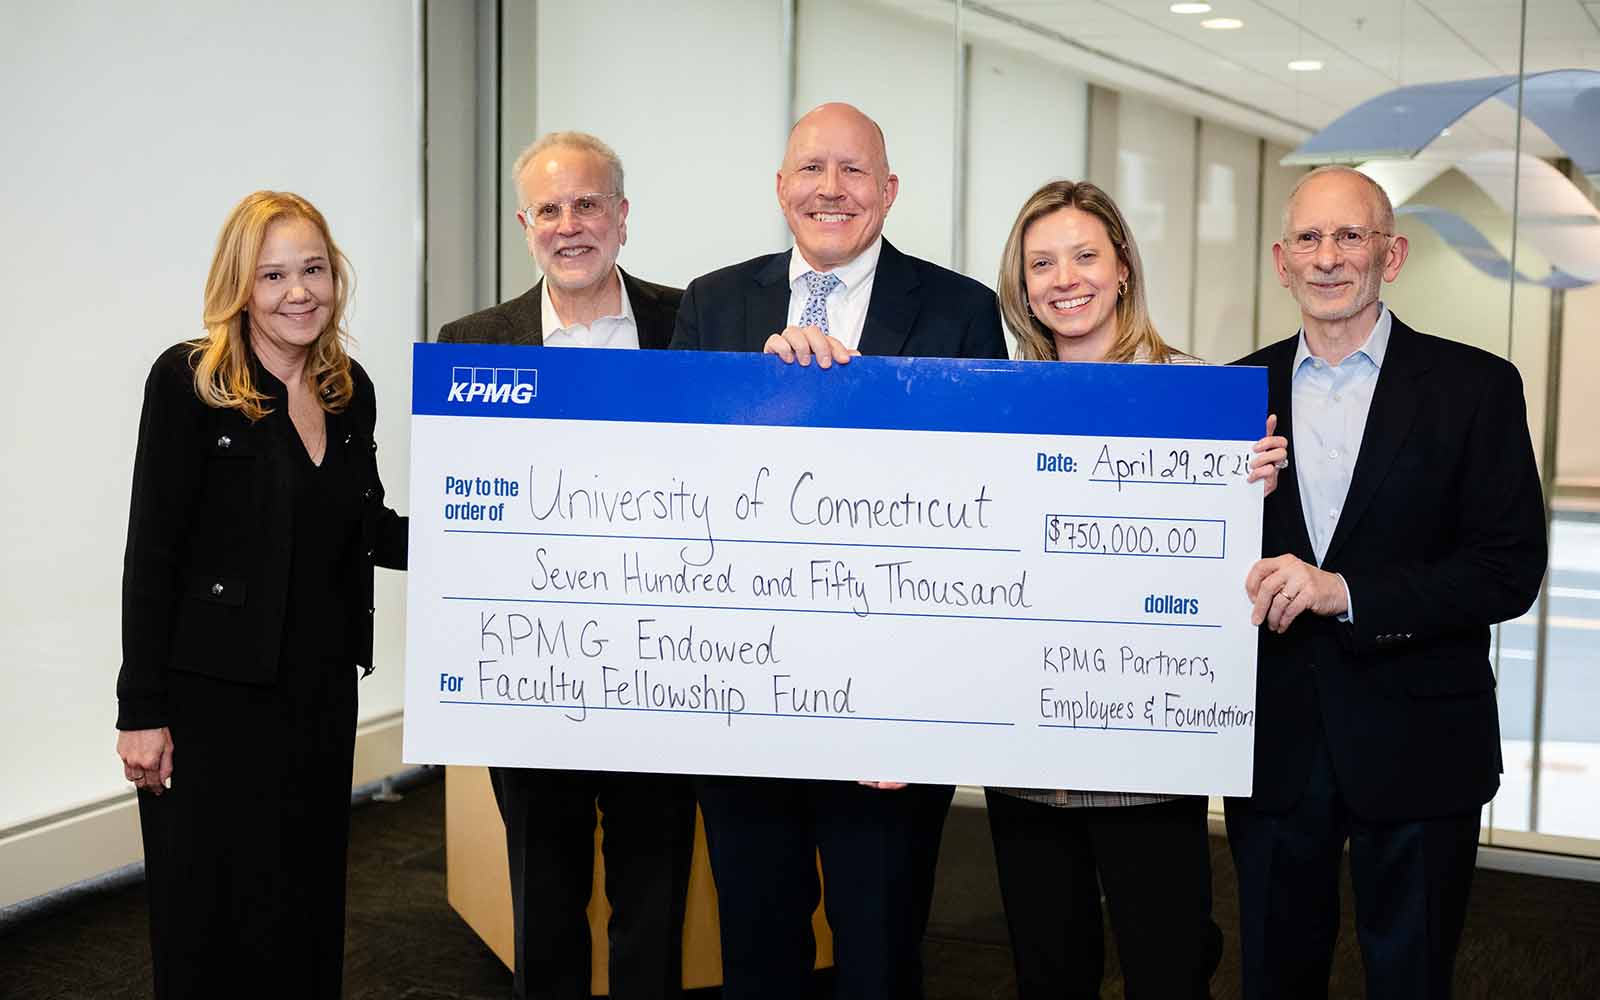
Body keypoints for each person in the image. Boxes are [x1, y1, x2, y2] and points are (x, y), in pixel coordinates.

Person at [669, 102, 1006, 1000]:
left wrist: (855, 396)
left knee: (881, 951)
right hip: (743, 693)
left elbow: (981, 499)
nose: (831, 189)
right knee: (758, 947)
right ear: (780, 188)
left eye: (854, 171)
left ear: (889, 191)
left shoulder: (962, 310)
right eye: (811, 169)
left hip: (890, 706)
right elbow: (672, 479)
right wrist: (763, 400)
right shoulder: (712, 303)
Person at [1227, 165, 1547, 1000]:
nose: (1328, 258)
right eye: (1309, 238)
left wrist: (1347, 592)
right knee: (1274, 977)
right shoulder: (1231, 396)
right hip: (1273, 746)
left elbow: (1508, 568)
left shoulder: (1475, 388)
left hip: (1421, 743)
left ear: (1391, 255)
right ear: (1280, 260)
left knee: (1411, 978)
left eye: (1351, 236)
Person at [987, 179, 1286, 999]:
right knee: (1048, 970)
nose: (1065, 278)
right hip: (1026, 754)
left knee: (1168, 969)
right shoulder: (995, 403)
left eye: (1085, 255)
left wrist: (1255, 494)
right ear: (1022, 283)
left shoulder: (1205, 399)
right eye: (1041, 262)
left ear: (1122, 266)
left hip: (1148, 758)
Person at [115, 190, 408, 999]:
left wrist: (484, 542)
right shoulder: (190, 382)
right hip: (210, 702)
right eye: (273, 274)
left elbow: (366, 525)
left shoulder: (351, 389)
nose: (298, 291)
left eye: (313, 268)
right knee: (209, 919)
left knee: (305, 906)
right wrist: (140, 709)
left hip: (318, 693)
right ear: (240, 285)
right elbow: (153, 550)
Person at [439, 131, 696, 1000]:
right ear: (525, 225)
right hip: (532, 680)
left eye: (588, 204)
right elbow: (462, 518)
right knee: (543, 905)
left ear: (622, 217)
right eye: (549, 209)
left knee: (652, 902)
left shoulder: (690, 328)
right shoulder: (473, 343)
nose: (570, 224)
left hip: (664, 672)